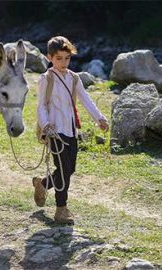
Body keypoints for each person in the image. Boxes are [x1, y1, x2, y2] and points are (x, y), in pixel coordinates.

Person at [33, 36, 109, 224]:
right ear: (50, 57)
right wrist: (45, 125)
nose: (63, 62)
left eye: (67, 58)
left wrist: (99, 117)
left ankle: (42, 184)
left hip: (71, 130)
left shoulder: (74, 78)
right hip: (54, 131)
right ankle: (61, 209)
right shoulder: (46, 79)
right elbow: (41, 106)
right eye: (59, 58)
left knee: (70, 169)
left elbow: (86, 99)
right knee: (64, 168)